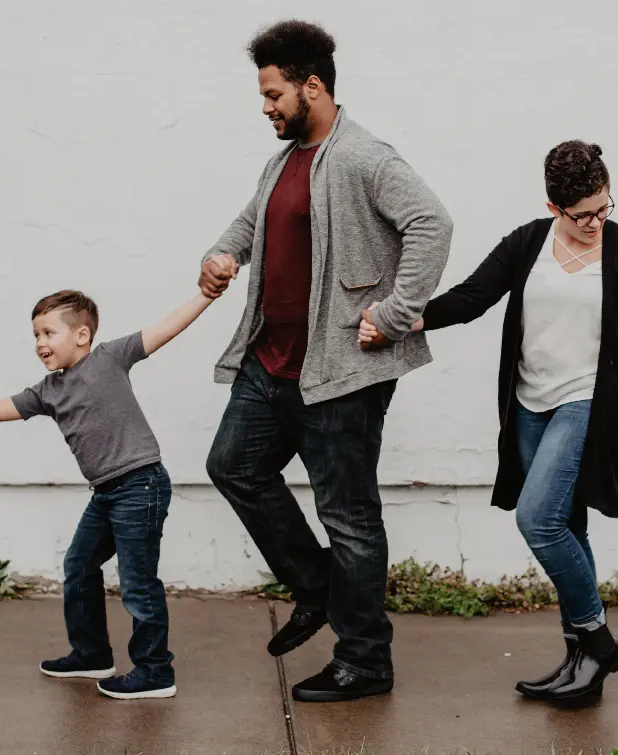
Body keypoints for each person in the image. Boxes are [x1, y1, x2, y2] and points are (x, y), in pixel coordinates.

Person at [359, 140, 618, 703]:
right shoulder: (530, 242)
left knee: (539, 520)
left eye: (605, 208)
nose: (596, 222)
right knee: (568, 527)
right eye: (583, 215)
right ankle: (582, 664)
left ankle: (598, 642)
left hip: (590, 402)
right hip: (529, 405)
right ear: (555, 208)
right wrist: (401, 321)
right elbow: (473, 297)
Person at [199, 19, 453, 703]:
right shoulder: (283, 160)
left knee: (349, 516)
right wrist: (222, 255)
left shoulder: (364, 157)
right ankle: (316, 588)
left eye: (274, 92)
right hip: (271, 362)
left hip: (339, 372)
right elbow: (252, 221)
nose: (266, 106)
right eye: (263, 94)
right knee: (233, 465)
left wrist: (395, 313)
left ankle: (365, 658)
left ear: (313, 86)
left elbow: (433, 223)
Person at [0, 288, 218, 700]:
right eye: (35, 335)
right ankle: (91, 654)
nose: (40, 343)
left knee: (137, 583)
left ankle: (155, 670)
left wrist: (207, 294)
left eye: (48, 333)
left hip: (140, 485)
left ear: (82, 335)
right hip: (106, 493)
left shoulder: (110, 357)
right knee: (79, 566)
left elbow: (166, 328)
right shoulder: (48, 391)